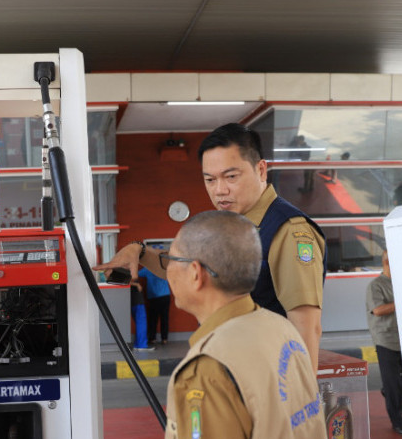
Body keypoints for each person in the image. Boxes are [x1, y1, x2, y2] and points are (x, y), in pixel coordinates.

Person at [96, 123, 327, 370]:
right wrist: (138, 250)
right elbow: (185, 269)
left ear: (261, 170)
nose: (220, 190)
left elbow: (306, 326)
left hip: (266, 381)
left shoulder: (288, 231)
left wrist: (299, 403)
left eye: (231, 177)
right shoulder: (230, 226)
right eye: (210, 179)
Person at [160, 211, 332, 439]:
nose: (167, 270)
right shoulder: (282, 330)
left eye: (170, 259)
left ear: (195, 272)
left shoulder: (209, 369)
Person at [365, 251, 402, 437]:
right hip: (385, 340)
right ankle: (397, 422)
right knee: (393, 384)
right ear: (387, 262)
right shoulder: (375, 286)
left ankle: (393, 393)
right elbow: (378, 310)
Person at [138, 266, 171, 345]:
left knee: (153, 318)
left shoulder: (148, 269)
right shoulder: (163, 268)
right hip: (165, 295)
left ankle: (152, 338)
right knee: (164, 318)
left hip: (154, 297)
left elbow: (136, 274)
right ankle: (164, 338)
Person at [130, 283, 154, 351]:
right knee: (141, 322)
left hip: (132, 296)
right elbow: (132, 277)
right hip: (136, 297)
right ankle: (141, 344)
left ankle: (138, 343)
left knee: (139, 322)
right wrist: (136, 284)